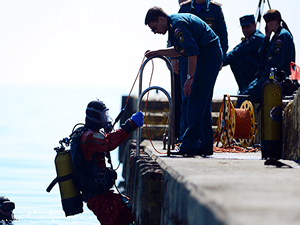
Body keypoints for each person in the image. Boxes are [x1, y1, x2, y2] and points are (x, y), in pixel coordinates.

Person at [145, 6, 223, 156]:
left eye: (154, 27)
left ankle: (189, 145)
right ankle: (205, 145)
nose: (155, 32)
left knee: (195, 99)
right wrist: (157, 52)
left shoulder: (177, 26)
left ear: (161, 19)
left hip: (209, 56)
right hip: (209, 55)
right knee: (203, 102)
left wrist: (189, 78)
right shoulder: (174, 24)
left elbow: (192, 51)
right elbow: (180, 50)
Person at [172, 0, 228, 141]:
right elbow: (174, 32)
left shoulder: (215, 9)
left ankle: (203, 141)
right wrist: (173, 59)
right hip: (187, 59)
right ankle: (185, 139)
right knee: (186, 99)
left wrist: (221, 58)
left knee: (204, 100)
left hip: (208, 59)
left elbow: (223, 35)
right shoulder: (184, 7)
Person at [80, 100, 144, 225]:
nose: (106, 119)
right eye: (103, 116)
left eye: (106, 115)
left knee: (127, 211)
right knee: (112, 221)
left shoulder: (93, 135)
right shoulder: (88, 137)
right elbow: (109, 142)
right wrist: (130, 125)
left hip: (103, 192)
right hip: (95, 196)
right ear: (94, 118)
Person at [237, 9, 295, 106]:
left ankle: (240, 121)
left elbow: (276, 63)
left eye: (268, 22)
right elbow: (261, 54)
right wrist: (267, 37)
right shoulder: (275, 36)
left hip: (276, 79)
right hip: (267, 76)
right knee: (242, 93)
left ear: (276, 21)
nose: (266, 25)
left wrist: (263, 75)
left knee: (245, 95)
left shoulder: (282, 37)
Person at [222, 14, 265, 92]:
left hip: (260, 74)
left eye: (247, 26)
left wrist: (220, 63)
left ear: (254, 25)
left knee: (241, 58)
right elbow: (236, 49)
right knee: (234, 59)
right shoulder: (248, 39)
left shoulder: (258, 38)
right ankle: (243, 88)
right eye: (243, 27)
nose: (245, 30)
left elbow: (239, 51)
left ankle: (245, 89)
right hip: (253, 72)